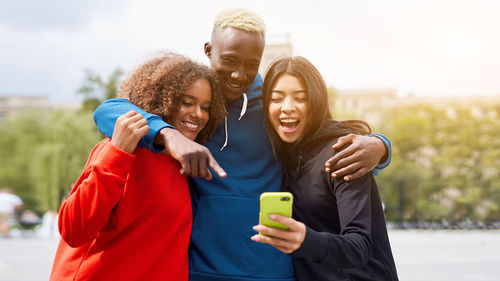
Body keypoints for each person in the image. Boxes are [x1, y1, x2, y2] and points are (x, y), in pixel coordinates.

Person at [93, 8, 391, 281]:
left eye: (251, 64)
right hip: (201, 270)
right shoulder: (191, 103)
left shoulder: (273, 102)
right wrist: (170, 136)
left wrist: (381, 146)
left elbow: (320, 138)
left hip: (274, 271)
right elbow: (107, 111)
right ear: (209, 51)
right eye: (230, 61)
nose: (239, 74)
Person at [49, 52, 225, 281]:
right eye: (187, 102)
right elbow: (74, 230)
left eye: (205, 107)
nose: (198, 114)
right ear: (164, 98)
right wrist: (118, 152)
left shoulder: (187, 163)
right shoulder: (121, 150)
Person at [251, 56, 398, 280]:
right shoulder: (281, 154)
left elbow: (359, 245)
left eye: (300, 98)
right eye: (276, 98)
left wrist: (307, 240)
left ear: (316, 102)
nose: (287, 108)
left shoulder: (344, 153)